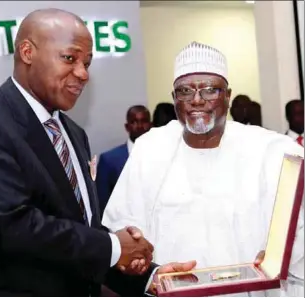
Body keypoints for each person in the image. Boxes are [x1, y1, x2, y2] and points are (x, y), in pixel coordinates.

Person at [0, 9, 195, 296]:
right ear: (27, 52)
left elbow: (80, 233)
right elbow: (15, 227)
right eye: (70, 58)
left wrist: (149, 276)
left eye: (87, 62)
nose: (83, 73)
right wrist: (115, 247)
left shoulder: (73, 133)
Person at [102, 41, 304, 296]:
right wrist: (134, 255)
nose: (197, 100)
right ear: (174, 99)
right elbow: (122, 228)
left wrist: (282, 257)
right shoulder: (150, 149)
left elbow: (297, 230)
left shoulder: (272, 151)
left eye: (210, 90)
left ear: (228, 96)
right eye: (185, 91)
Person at [96, 105, 151, 215]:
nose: (139, 126)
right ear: (127, 126)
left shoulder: (164, 156)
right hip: (121, 228)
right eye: (134, 122)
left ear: (150, 125)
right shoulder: (109, 160)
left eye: (144, 121)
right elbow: (102, 203)